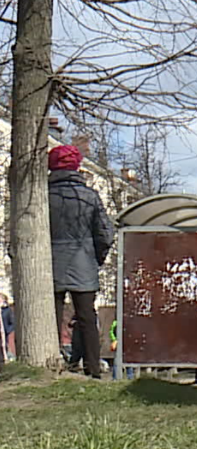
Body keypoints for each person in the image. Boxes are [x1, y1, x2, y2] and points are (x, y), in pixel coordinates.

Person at [48, 145, 114, 379]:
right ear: (77, 166)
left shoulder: (41, 195)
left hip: (49, 263)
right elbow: (105, 233)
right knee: (87, 318)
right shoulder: (89, 196)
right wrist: (96, 258)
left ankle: (50, 366)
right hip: (83, 260)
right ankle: (93, 369)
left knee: (50, 318)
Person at [0, 292, 14, 364]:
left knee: (3, 347)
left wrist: (7, 331)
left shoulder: (7, 310)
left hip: (4, 334)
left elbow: (12, 322)